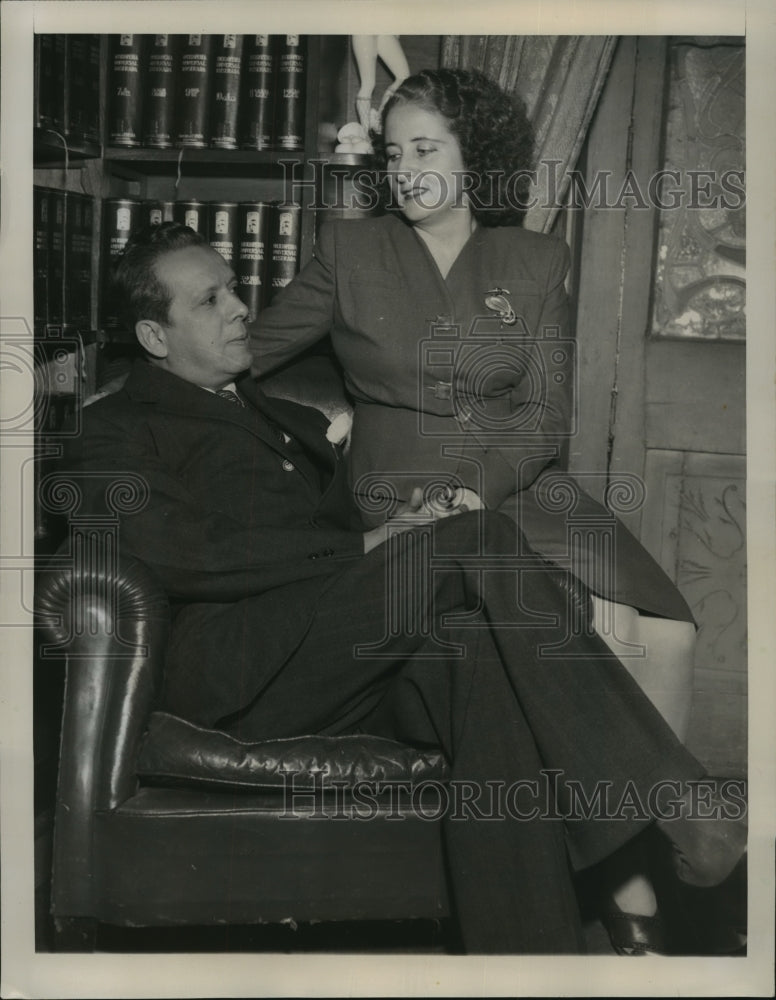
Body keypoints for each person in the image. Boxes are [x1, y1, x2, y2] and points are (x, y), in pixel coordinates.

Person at [63, 222, 746, 955]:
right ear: (154, 336)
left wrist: (407, 524)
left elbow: (335, 530)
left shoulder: (276, 412)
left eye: (233, 287)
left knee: (481, 659)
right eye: (210, 300)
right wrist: (368, 547)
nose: (239, 308)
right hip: (240, 669)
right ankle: (680, 805)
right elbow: (187, 550)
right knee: (478, 539)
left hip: (335, 650)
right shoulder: (111, 429)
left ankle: (531, 964)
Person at [250, 67, 701, 947]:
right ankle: (636, 896)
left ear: (475, 158)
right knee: (560, 636)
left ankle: (635, 856)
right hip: (397, 481)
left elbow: (545, 414)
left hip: (517, 479)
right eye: (394, 154)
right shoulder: (349, 250)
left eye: (427, 150)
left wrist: (483, 484)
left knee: (667, 632)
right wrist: (300, 438)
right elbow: (244, 353)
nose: (407, 172)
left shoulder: (534, 260)